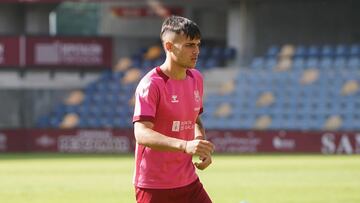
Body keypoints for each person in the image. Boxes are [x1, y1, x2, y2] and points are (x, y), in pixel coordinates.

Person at [132, 15, 215, 203]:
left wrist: (200, 144)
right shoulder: (151, 84)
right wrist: (185, 145)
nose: (196, 51)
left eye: (197, 44)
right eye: (189, 45)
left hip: (189, 182)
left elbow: (195, 120)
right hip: (154, 185)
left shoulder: (196, 78)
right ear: (169, 46)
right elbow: (142, 133)